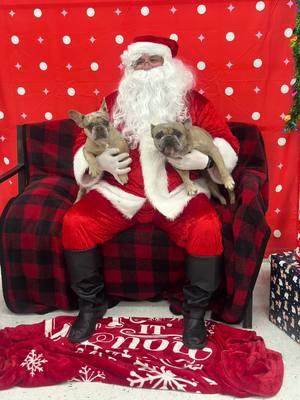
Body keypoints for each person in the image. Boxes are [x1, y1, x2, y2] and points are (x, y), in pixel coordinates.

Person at [62, 35, 239, 348]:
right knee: (76, 223)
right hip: (121, 192)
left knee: (207, 228)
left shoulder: (195, 103)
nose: (145, 67)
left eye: (152, 60)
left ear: (168, 65)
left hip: (176, 193)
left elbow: (225, 142)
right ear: (129, 69)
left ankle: (195, 313)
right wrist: (97, 160)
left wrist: (202, 158)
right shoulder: (114, 102)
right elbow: (82, 142)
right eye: (138, 62)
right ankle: (91, 305)